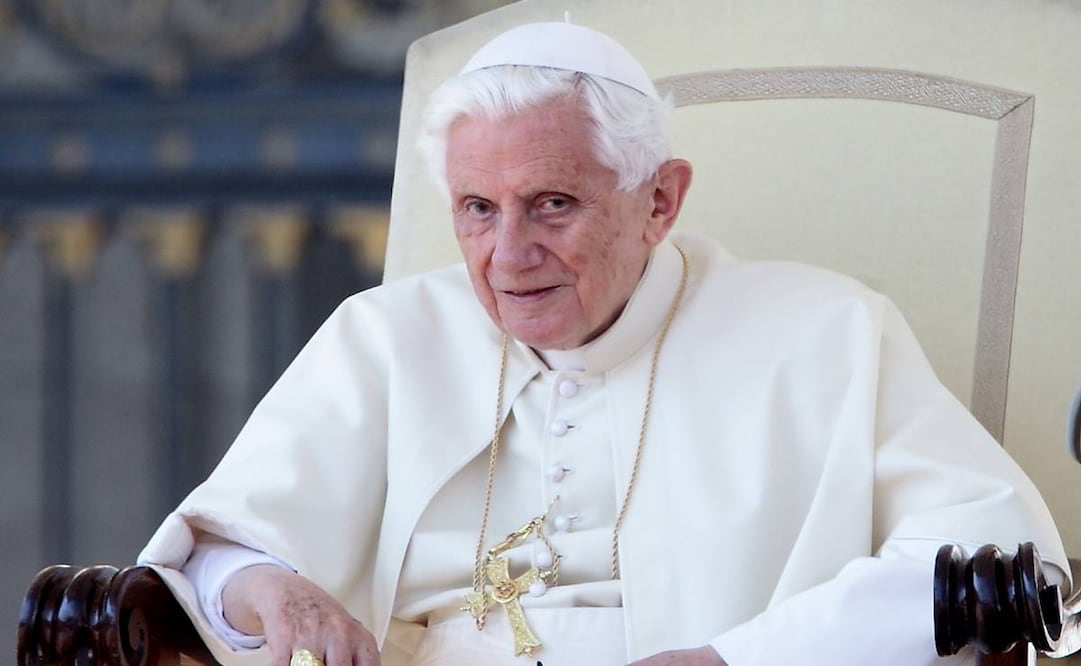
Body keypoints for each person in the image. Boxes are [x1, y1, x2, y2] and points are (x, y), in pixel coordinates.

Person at [138, 21, 1070, 666]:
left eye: (552, 204)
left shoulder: (823, 333)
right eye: (476, 210)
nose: (508, 256)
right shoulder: (384, 337)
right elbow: (216, 553)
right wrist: (266, 586)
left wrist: (736, 660)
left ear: (659, 200)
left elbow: (998, 562)